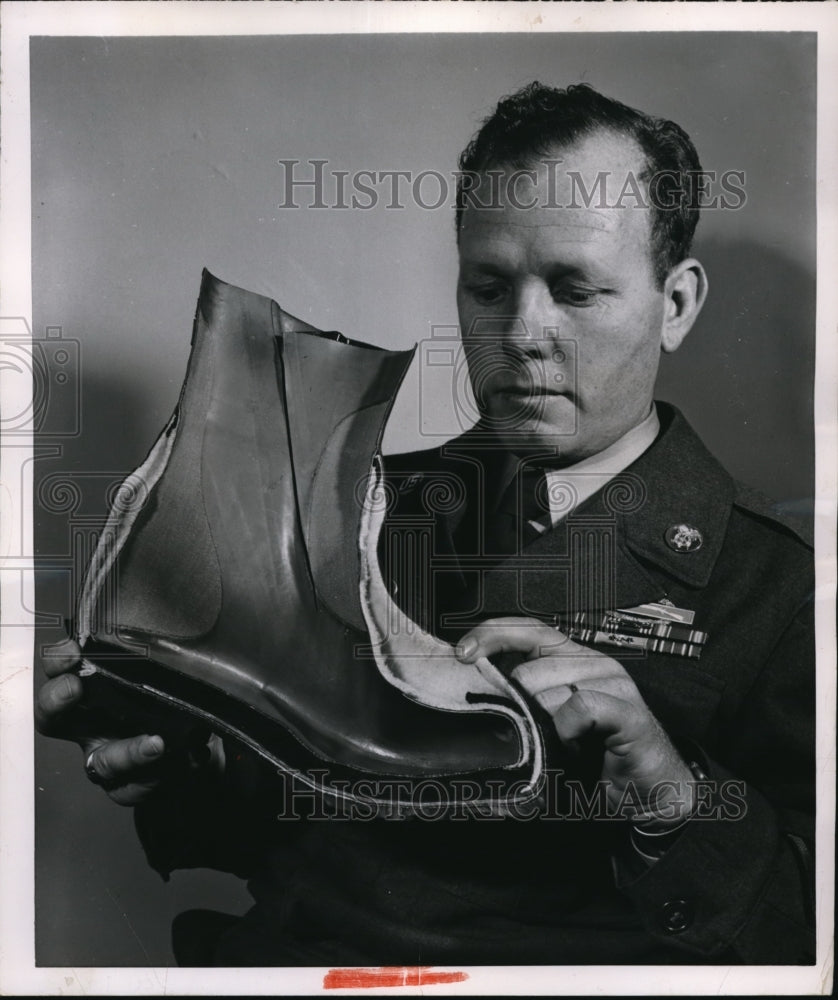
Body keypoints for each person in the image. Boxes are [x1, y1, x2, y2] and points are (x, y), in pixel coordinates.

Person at [35, 82, 815, 965]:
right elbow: (276, 837)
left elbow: (805, 934)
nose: (521, 333)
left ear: (675, 306)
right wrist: (173, 751)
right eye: (489, 286)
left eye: (575, 290)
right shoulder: (358, 503)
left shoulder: (776, 586)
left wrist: (671, 792)